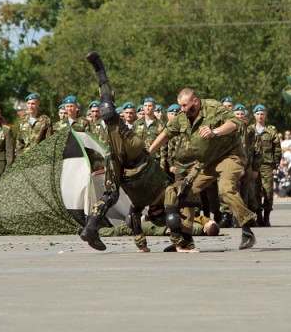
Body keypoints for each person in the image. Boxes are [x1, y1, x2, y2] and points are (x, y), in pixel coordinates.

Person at [79, 52, 173, 253]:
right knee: (108, 111)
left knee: (110, 194)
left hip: (120, 165)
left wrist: (142, 245)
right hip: (135, 154)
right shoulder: (168, 192)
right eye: (159, 211)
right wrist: (180, 240)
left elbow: (134, 218)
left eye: (155, 212)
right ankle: (100, 71)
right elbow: (183, 202)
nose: (155, 209)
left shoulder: (140, 205)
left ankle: (90, 228)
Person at [148, 88, 257, 251]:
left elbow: (235, 123)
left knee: (226, 189)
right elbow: (166, 133)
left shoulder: (213, 107)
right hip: (206, 161)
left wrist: (214, 132)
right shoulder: (183, 117)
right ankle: (185, 239)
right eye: (180, 106)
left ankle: (247, 229)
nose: (182, 109)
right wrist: (149, 151)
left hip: (229, 156)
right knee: (186, 191)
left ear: (196, 102)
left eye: (185, 105)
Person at [252, 104, 281, 226]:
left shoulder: (271, 131)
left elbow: (277, 149)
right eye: (258, 114)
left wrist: (276, 165)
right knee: (255, 191)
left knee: (268, 192)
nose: (260, 116)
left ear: (265, 115)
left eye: (262, 114)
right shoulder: (250, 130)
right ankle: (258, 215)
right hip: (253, 166)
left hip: (267, 165)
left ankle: (266, 217)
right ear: (254, 115)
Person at [133, 97, 167, 170]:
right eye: (145, 106)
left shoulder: (161, 124)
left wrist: (162, 164)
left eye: (150, 106)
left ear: (154, 107)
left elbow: (164, 146)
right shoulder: (136, 124)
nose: (147, 108)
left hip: (155, 160)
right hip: (139, 161)